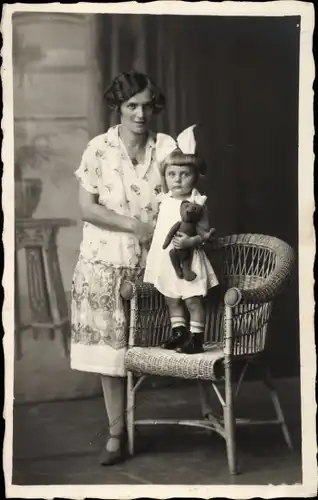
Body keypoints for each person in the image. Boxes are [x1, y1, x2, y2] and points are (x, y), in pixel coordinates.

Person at [70, 71, 165, 466]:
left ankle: (133, 423)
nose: (140, 114)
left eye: (145, 106)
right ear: (118, 107)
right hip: (104, 260)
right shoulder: (99, 149)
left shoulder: (166, 147)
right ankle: (116, 432)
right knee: (109, 353)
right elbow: (87, 207)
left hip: (152, 264)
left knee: (143, 349)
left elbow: (183, 192)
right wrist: (133, 225)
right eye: (131, 106)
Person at [144, 125, 219, 354]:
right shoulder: (165, 200)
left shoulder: (198, 204)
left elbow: (205, 236)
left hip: (189, 259)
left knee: (192, 300)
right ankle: (179, 332)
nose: (177, 180)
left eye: (184, 174)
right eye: (171, 174)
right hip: (167, 258)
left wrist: (189, 242)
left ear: (195, 176)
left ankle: (196, 338)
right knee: (171, 298)